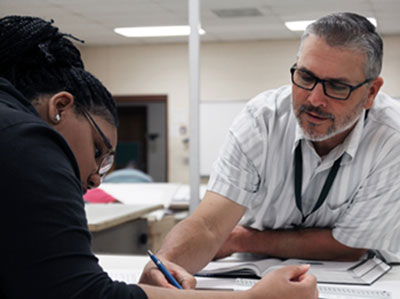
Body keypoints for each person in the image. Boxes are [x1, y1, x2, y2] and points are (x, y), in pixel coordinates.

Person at [0, 15, 318, 299]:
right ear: (60, 107)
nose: (96, 177)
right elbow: (82, 292)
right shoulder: (26, 138)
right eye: (98, 151)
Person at [140, 12, 400, 288]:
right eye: (306, 76)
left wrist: (241, 238)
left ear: (371, 92)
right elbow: (209, 225)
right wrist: (164, 268)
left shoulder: (391, 138)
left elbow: (351, 245)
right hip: (255, 273)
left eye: (337, 87)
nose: (315, 99)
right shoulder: (261, 121)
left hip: (363, 281)